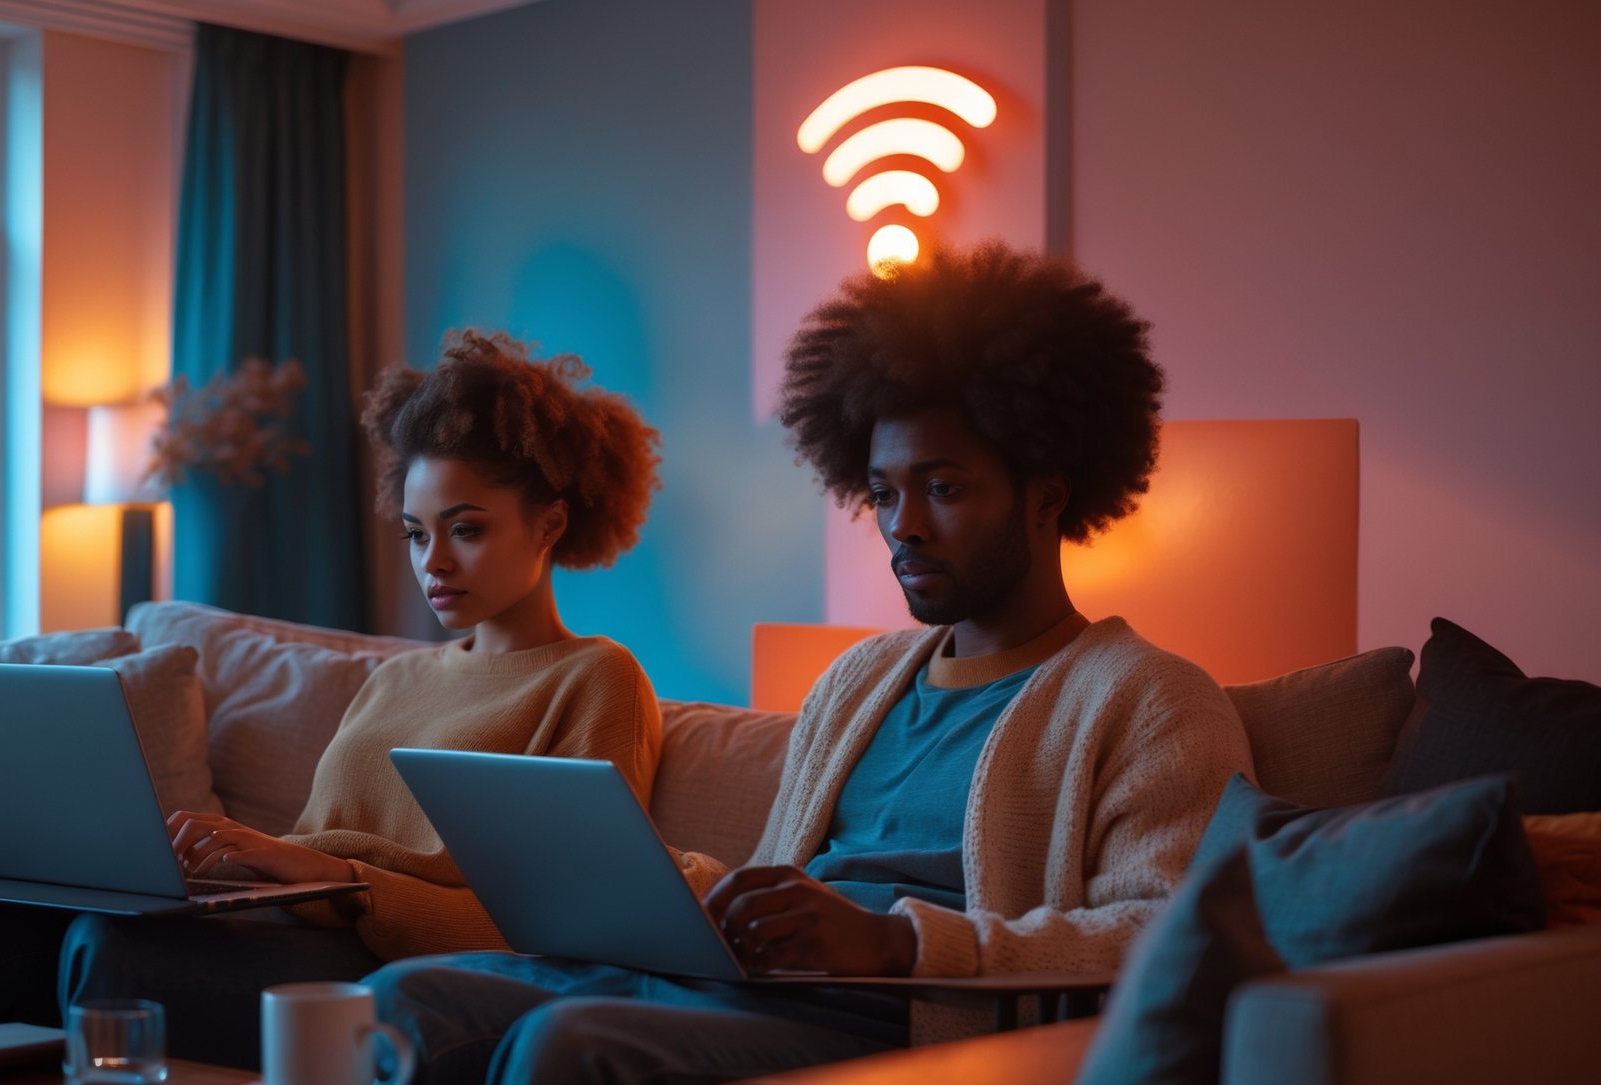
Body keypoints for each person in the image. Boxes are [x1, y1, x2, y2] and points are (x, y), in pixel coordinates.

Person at [365, 240, 1258, 1084]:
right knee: (401, 998)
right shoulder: (858, 680)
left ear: (1047, 496)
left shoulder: (1151, 700)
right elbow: (788, 873)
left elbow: (1164, 931)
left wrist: (899, 943)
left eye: (942, 488)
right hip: (742, 990)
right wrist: (673, 886)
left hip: (893, 1032)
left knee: (573, 1043)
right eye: (882, 493)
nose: (902, 524)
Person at [0, 330, 667, 1083]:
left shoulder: (596, 680)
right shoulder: (399, 679)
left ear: (551, 525)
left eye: (466, 528)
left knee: (106, 948)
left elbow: (561, 934)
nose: (432, 560)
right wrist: (230, 865)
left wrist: (342, 876)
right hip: (292, 927)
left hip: (384, 971)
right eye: (415, 532)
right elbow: (311, 849)